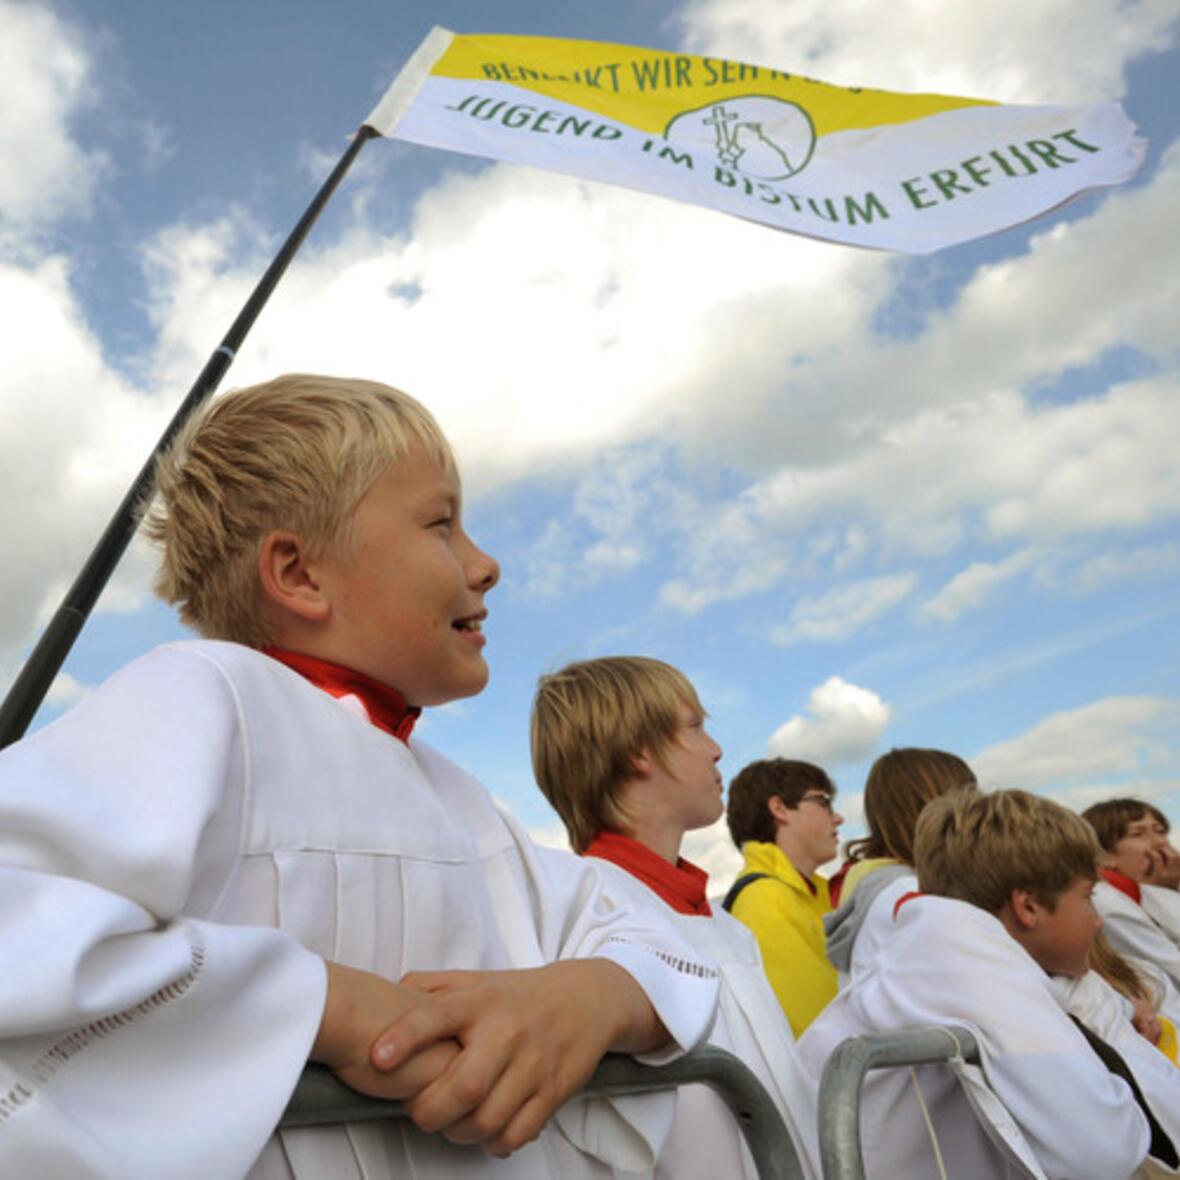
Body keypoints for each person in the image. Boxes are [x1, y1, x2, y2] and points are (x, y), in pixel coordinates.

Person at [0, 375, 722, 1179]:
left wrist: (591, 998)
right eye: (442, 524)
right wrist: (328, 1008)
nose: (486, 564)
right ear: (301, 575)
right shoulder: (206, 697)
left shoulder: (458, 796)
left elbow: (637, 926)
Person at [531, 655, 821, 1179]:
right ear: (640, 752)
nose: (716, 748)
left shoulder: (726, 926)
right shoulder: (579, 911)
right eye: (695, 726)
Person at [797, 788, 1176, 1180]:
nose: (1097, 920)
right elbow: (1105, 1150)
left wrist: (1123, 1011)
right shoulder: (962, 953)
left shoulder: (950, 948)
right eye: (1087, 897)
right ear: (1028, 907)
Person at [825, 747, 976, 986]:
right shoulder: (908, 896)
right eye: (973, 803)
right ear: (939, 811)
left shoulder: (881, 887)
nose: (982, 818)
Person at [723, 758, 843, 1036]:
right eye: (823, 802)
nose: (838, 817)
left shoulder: (807, 894)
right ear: (779, 809)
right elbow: (821, 1035)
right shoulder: (765, 902)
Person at [1083, 798, 1180, 988]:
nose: (1159, 842)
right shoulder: (1108, 904)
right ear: (1104, 856)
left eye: (1160, 831)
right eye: (1138, 834)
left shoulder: (1141, 894)